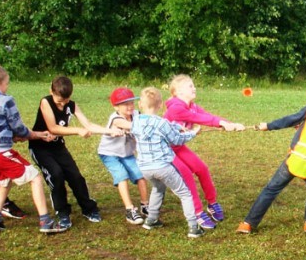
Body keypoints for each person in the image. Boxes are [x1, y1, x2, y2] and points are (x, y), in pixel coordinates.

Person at [237, 83, 306, 235]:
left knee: (271, 189)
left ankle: (248, 224)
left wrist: (268, 126)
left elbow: (291, 119)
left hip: (294, 160)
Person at [0, 65, 62, 233]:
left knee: (4, 182)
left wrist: (13, 136)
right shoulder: (5, 100)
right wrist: (35, 135)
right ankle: (45, 221)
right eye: (7, 83)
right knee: (35, 178)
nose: (7, 87)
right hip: (1, 152)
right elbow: (19, 128)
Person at [28, 76, 122, 228]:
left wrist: (110, 131)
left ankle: (89, 209)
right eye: (60, 101)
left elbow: (88, 125)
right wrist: (78, 130)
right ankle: (62, 212)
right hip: (40, 148)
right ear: (51, 91)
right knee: (56, 175)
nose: (63, 104)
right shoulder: (46, 102)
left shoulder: (71, 105)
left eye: (66, 100)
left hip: (58, 147)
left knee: (76, 176)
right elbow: (53, 128)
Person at [117, 86, 205, 238]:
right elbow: (177, 140)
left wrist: (177, 126)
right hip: (163, 167)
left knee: (158, 188)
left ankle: (151, 220)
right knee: (185, 193)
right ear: (160, 105)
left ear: (140, 105)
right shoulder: (162, 123)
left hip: (145, 168)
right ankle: (193, 227)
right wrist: (193, 133)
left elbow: (165, 128)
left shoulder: (136, 122)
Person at [164, 74, 245, 230]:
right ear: (179, 92)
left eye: (193, 85)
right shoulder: (175, 108)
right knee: (187, 175)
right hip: (166, 150)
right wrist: (222, 123)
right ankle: (197, 212)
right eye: (190, 86)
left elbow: (207, 116)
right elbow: (199, 119)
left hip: (178, 147)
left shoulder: (192, 106)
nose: (194, 88)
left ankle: (212, 203)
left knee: (202, 169)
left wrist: (230, 124)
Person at [97, 88, 150, 225]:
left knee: (141, 175)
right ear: (116, 107)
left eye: (131, 103)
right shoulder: (116, 119)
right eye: (125, 104)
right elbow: (130, 126)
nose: (130, 106)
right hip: (109, 154)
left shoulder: (137, 114)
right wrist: (149, 127)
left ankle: (145, 205)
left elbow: (147, 121)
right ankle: (129, 210)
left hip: (127, 154)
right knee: (122, 176)